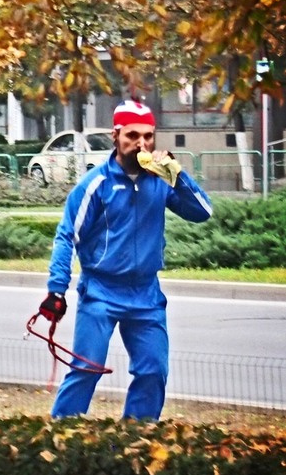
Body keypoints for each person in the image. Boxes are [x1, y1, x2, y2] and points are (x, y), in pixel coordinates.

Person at [38, 100, 213, 420]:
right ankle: (61, 433)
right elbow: (66, 236)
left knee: (153, 371)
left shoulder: (160, 180)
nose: (141, 144)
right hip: (101, 291)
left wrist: (177, 175)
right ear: (115, 136)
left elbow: (202, 212)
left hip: (146, 293)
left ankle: (138, 437)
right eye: (132, 135)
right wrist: (56, 290)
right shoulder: (96, 184)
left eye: (148, 136)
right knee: (86, 368)